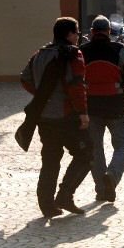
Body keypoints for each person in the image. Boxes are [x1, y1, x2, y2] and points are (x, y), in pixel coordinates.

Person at [20, 17, 93, 218]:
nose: (78, 37)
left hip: (44, 116)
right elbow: (77, 86)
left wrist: (43, 94)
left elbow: (25, 78)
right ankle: (65, 195)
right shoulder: (73, 54)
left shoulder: (39, 54)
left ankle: (46, 204)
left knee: (50, 159)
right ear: (69, 34)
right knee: (86, 154)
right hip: (67, 115)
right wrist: (83, 113)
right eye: (77, 32)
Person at [80, 15, 124, 203]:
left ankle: (100, 189)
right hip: (116, 105)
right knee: (123, 145)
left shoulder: (81, 52)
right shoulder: (120, 50)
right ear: (108, 31)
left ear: (91, 32)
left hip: (91, 106)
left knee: (95, 148)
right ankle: (112, 177)